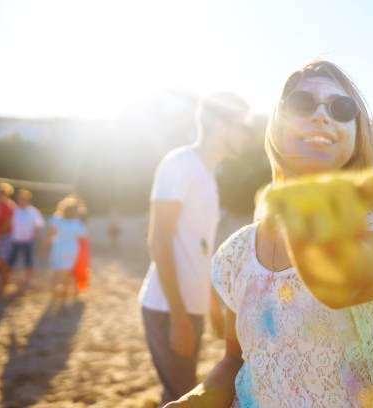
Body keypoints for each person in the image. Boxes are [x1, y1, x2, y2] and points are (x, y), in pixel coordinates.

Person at [167, 60, 373, 408]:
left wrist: (298, 198)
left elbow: (344, 286)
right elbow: (235, 360)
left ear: (358, 132)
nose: (322, 116)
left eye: (340, 108)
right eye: (302, 104)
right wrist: (197, 397)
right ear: (276, 125)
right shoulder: (238, 250)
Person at [138, 92, 251, 406]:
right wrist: (180, 319)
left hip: (189, 306)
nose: (247, 132)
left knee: (181, 391)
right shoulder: (180, 163)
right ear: (218, 122)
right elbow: (158, 241)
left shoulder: (206, 175)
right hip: (168, 308)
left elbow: (198, 248)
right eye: (242, 124)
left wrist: (211, 303)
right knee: (181, 395)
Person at [38, 196, 87, 298]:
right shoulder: (77, 223)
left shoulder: (57, 220)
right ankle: (64, 292)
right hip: (71, 250)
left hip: (58, 249)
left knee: (56, 272)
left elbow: (50, 234)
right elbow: (82, 238)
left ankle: (54, 292)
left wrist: (43, 246)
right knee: (67, 273)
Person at [7, 189, 45, 287]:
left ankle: (28, 280)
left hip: (28, 240)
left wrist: (35, 235)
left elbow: (39, 224)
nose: (21, 200)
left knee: (29, 261)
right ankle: (7, 279)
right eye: (20, 199)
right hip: (16, 239)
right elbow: (9, 223)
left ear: (28, 200)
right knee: (11, 260)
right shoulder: (15, 210)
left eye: (23, 199)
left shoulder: (33, 211)